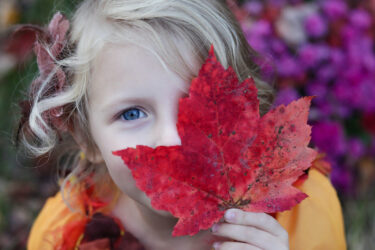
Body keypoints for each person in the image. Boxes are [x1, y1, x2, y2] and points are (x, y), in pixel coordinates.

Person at [17, 0, 346, 249]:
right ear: (85, 137)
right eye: (132, 114)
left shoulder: (305, 213)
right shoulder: (62, 236)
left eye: (200, 104)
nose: (173, 138)